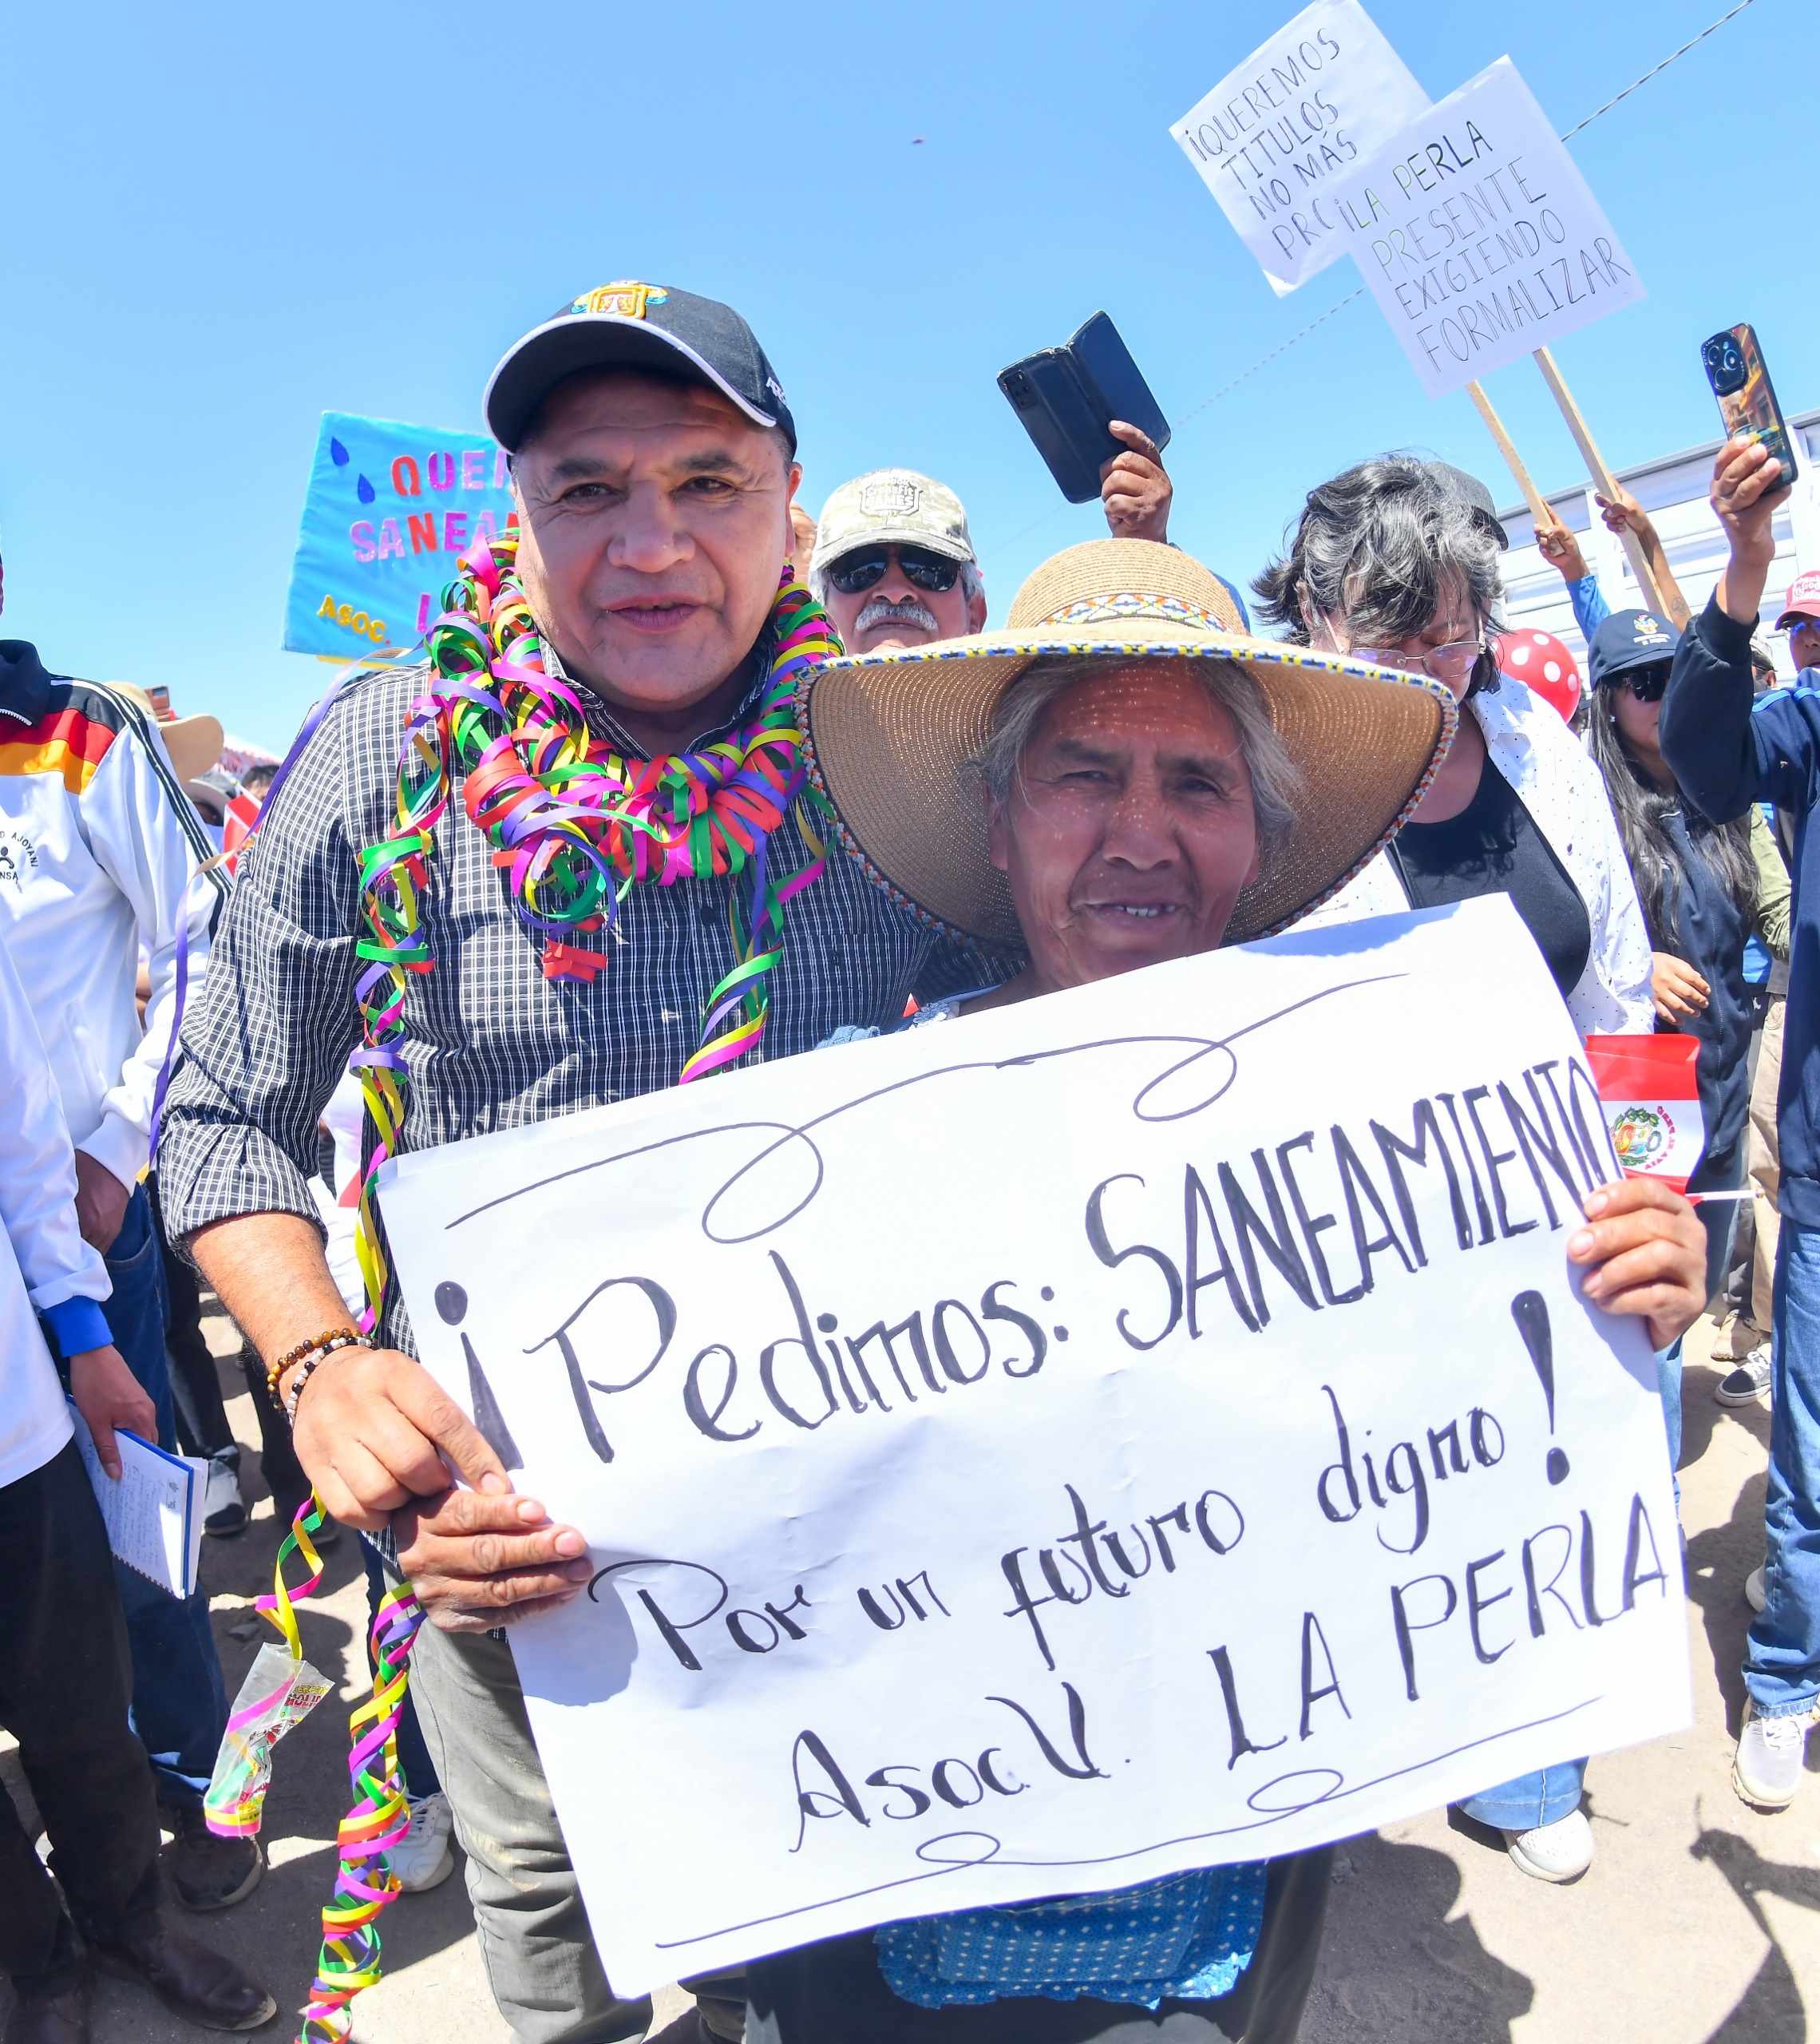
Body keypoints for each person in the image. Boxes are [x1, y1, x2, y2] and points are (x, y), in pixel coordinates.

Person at [156, 281, 1011, 2044]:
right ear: (518, 513)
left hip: (859, 1539)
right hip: (502, 1543)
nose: (652, 544)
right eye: (588, 489)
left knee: (844, 1955)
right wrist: (320, 1366)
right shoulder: (385, 760)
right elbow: (222, 1117)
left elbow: (1073, 1030)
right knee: (552, 1947)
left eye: (708, 482)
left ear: (793, 498)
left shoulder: (909, 749)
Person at [739, 537, 1707, 2042]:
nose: (1141, 831)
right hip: (900, 1894)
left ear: (1256, 837)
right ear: (999, 824)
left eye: (1195, 785)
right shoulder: (830, 1133)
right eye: (1083, 776)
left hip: (1240, 1865)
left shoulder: (1404, 1103)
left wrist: (1624, 1282)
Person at [1252, 455, 1656, 1884]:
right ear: (1315, 619)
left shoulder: (1539, 740)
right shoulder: (1271, 781)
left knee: (1546, 1492)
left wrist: (1648, 1196)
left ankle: (1527, 1767)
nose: (1433, 662)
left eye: (1452, 629)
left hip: (1549, 1211)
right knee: (1377, 1502)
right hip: (1349, 1233)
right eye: (1392, 631)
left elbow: (1614, 990)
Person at [0, 608, 252, 1914]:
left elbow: (210, 938)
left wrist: (115, 1149)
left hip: (87, 1228)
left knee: (139, 1526)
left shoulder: (74, 731)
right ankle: (77, 1810)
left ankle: (206, 1772)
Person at [0, 930, 275, 2044]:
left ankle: (130, 1920)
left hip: (12, 1424)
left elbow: (22, 1149)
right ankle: (40, 1959)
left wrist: (83, 1335)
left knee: (77, 1704)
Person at [1656, 433, 1820, 1812]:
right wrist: (1742, 575)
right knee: (1816, 1464)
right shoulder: (1809, 726)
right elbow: (1704, 756)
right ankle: (1786, 1681)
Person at [808, 426, 1177, 657]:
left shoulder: (1033, 735)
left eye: (927, 568)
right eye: (858, 570)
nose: (892, 590)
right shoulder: (770, 745)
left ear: (975, 613)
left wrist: (1145, 547)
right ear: (822, 614)